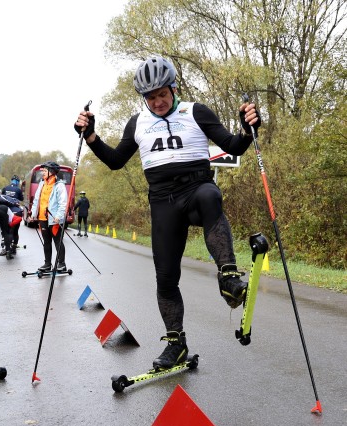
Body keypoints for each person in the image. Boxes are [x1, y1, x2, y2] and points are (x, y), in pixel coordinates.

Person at [74, 55, 261, 370]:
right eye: (150, 96)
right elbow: (116, 160)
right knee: (165, 279)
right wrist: (91, 136)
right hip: (162, 201)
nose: (157, 101)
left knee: (210, 195)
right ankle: (176, 344)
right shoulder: (137, 123)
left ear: (174, 88)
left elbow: (234, 145)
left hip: (196, 188)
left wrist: (246, 129)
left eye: (162, 93)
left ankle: (228, 277)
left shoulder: (195, 112)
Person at [29, 161, 68, 272]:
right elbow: (37, 200)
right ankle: (47, 264)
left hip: (54, 219)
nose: (43, 173)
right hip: (43, 218)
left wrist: (59, 216)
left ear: (51, 172)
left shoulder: (59, 185)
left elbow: (63, 203)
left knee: (58, 241)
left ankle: (62, 264)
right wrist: (33, 213)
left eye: (45, 171)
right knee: (46, 242)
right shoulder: (42, 184)